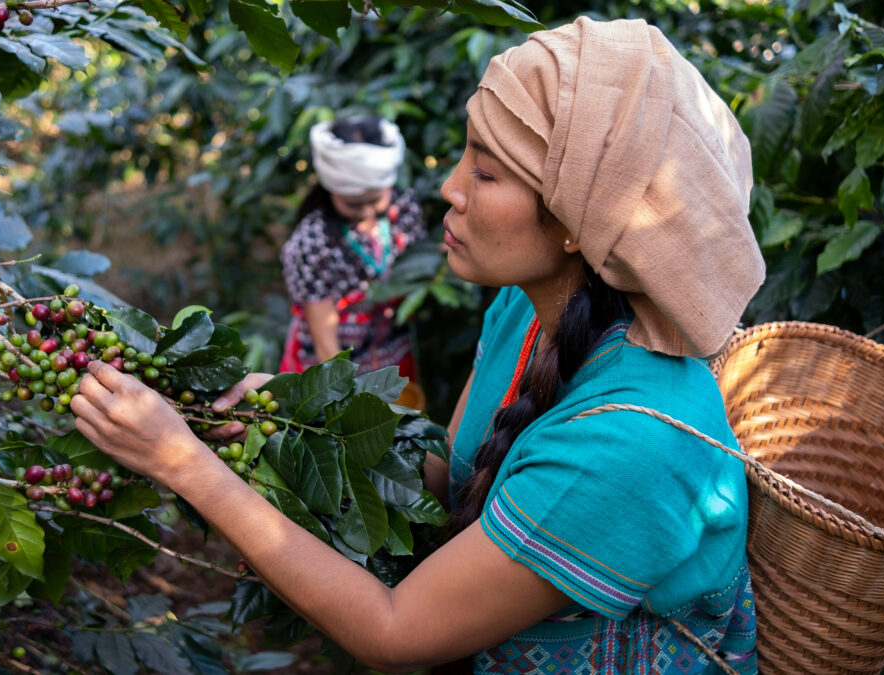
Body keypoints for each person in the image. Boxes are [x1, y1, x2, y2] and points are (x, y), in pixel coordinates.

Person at [71, 16, 765, 674]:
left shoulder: (629, 449)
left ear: (578, 222)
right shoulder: (523, 313)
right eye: (465, 154)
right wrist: (292, 413)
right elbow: (444, 474)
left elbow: (394, 630)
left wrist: (184, 463)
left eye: (487, 173)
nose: (448, 188)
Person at [279, 116, 427, 404]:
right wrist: (345, 402)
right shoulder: (312, 243)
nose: (367, 212)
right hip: (338, 366)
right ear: (330, 188)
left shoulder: (404, 208)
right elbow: (327, 346)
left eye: (375, 200)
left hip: (391, 352)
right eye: (354, 204)